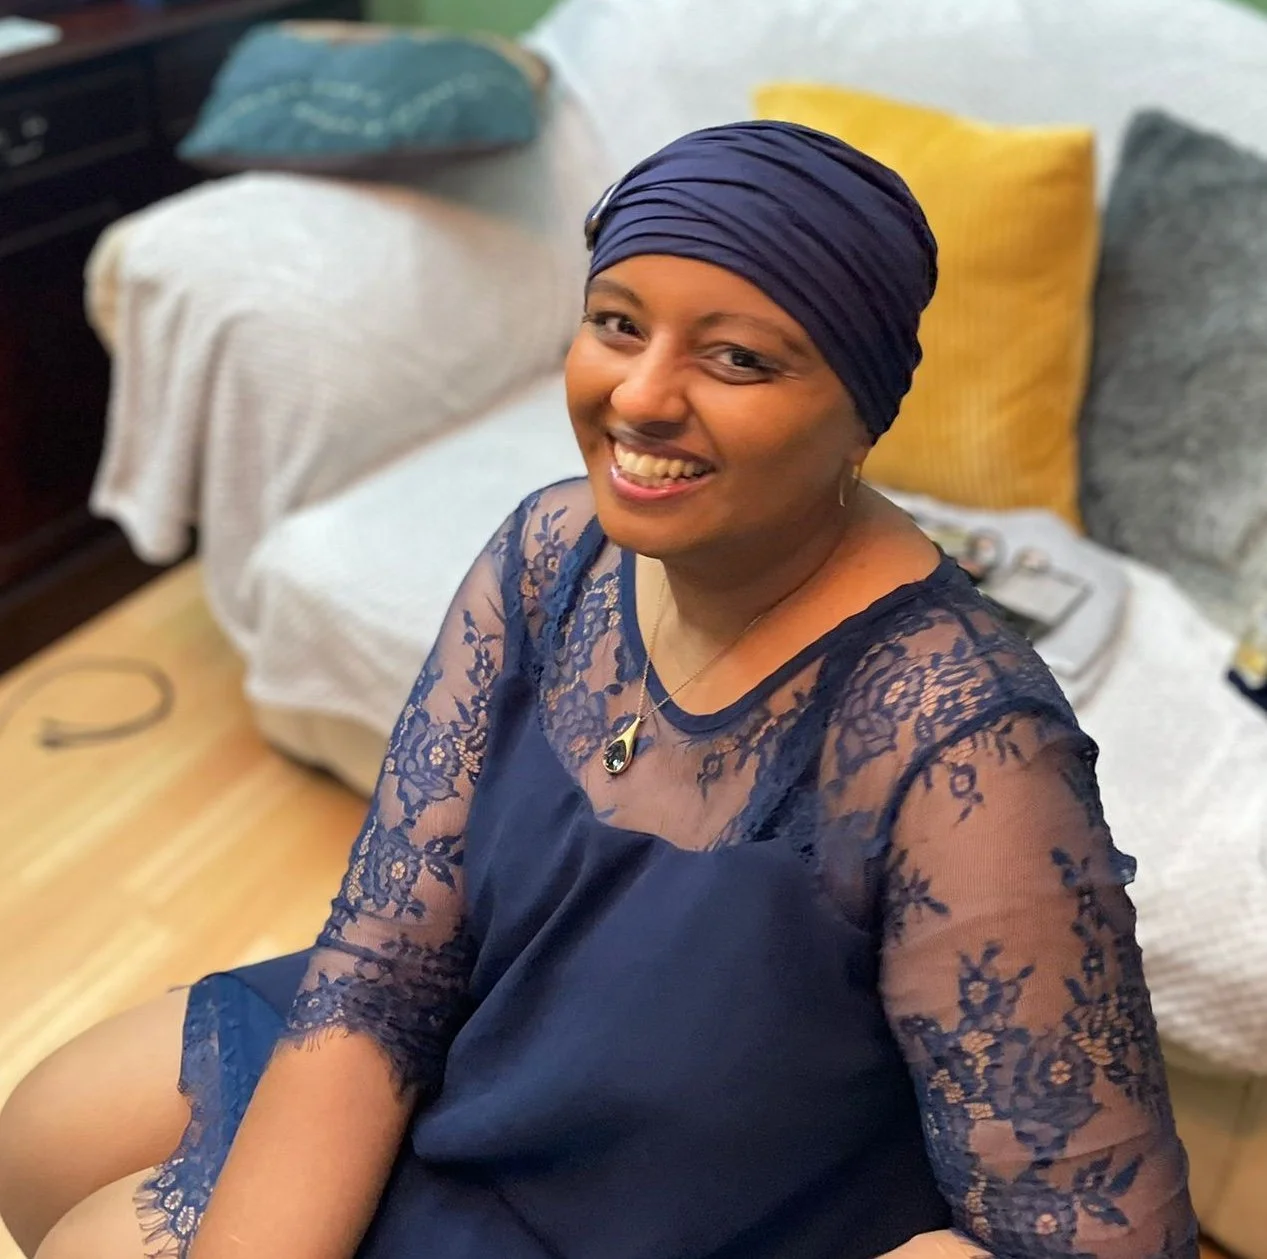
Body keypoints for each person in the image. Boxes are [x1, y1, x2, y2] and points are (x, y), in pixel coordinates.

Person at [0, 121, 1197, 1259]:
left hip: (680, 1205)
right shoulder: (552, 552)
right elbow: (388, 959)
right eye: (618, 323)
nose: (639, 397)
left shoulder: (963, 745)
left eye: (737, 357)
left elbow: (1093, 1235)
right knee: (48, 1130)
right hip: (488, 1037)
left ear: (861, 411)